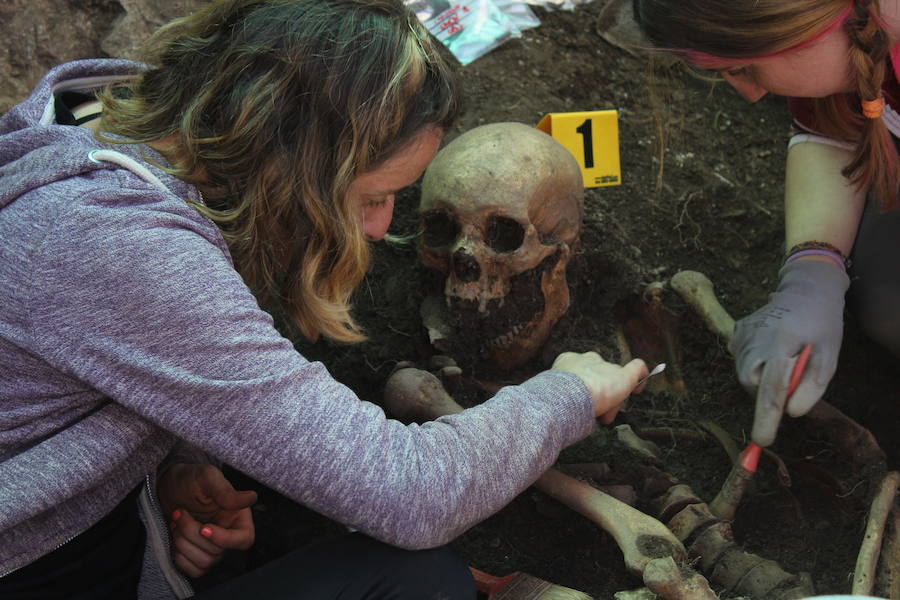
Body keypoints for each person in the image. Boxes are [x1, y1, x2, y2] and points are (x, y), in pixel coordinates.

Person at [0, 0, 649, 598]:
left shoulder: (108, 123)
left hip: (80, 525)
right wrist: (569, 396)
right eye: (372, 197)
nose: (377, 228)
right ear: (299, 165)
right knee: (421, 581)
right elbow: (408, 493)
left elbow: (107, 352)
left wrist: (173, 464)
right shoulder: (123, 246)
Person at [633, 0, 900, 447]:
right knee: (882, 304)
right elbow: (832, 133)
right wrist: (813, 274)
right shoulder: (858, 34)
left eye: (745, 69)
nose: (750, 94)